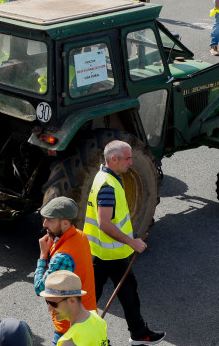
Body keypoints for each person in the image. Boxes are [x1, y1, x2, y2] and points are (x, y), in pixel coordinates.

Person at [84, 140, 165, 345]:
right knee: (121, 291)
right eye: (127, 158)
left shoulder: (105, 177)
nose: (131, 162)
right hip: (110, 252)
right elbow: (104, 224)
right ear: (113, 159)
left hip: (102, 251)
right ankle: (88, 335)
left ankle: (86, 333)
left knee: (107, 293)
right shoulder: (107, 186)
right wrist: (132, 242)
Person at [34, 196, 96, 345]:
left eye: (50, 220)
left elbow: (40, 288)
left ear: (66, 222)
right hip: (87, 317)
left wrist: (43, 255)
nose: (44, 224)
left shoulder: (63, 257)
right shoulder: (80, 236)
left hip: (68, 329)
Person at [40, 271, 108, 346]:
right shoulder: (98, 319)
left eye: (53, 303)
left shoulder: (68, 342)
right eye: (47, 302)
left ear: (72, 301)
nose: (49, 309)